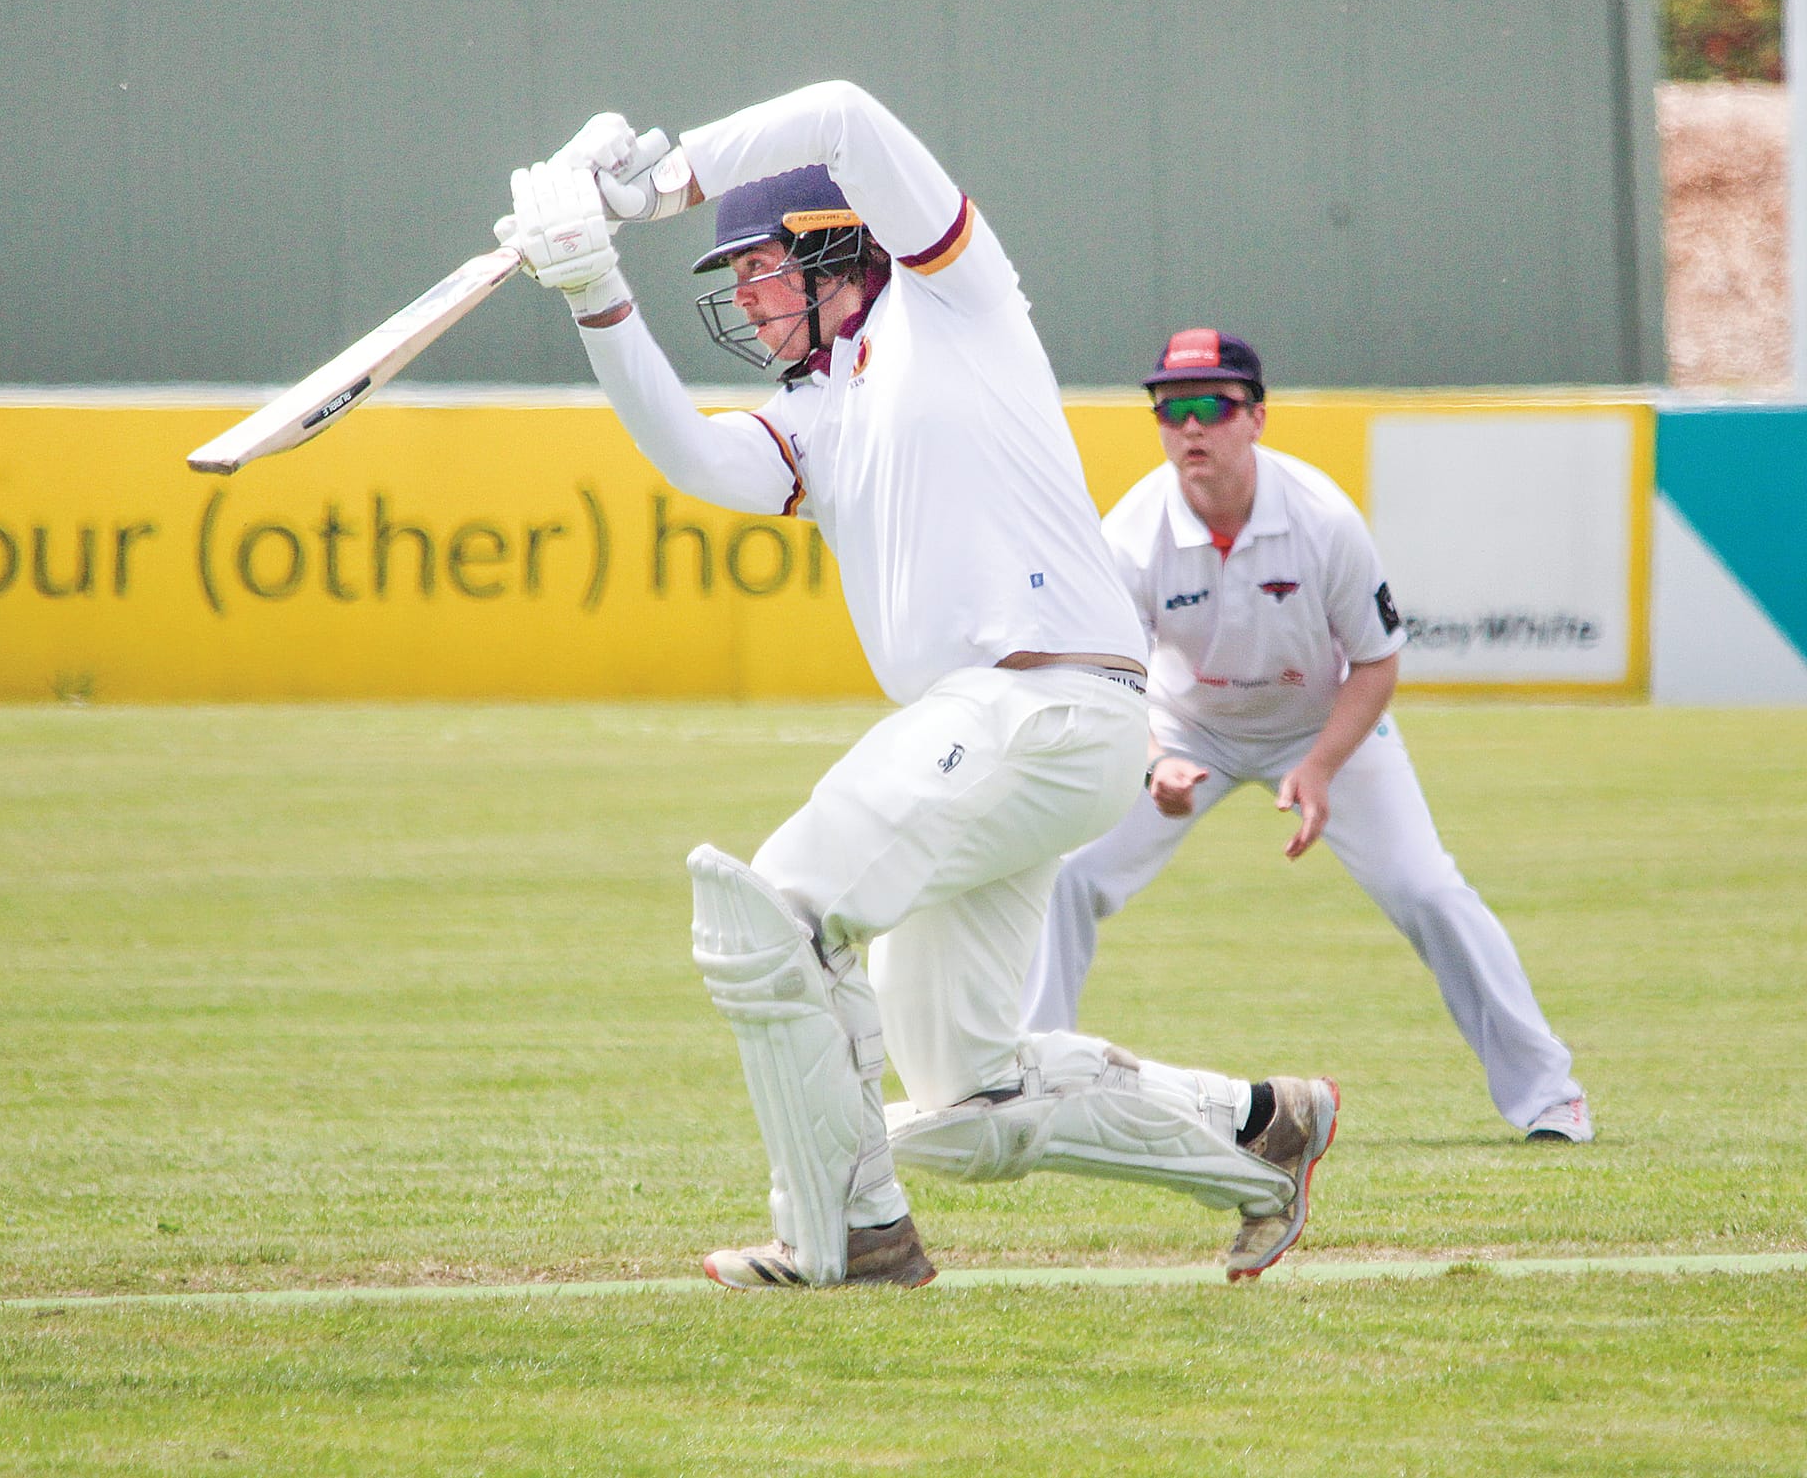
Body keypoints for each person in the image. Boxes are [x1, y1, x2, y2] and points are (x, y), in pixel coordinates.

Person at [493, 83, 1339, 1290]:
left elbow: (841, 111)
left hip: (1032, 706)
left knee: (770, 912)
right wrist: (595, 292)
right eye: (726, 275)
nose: (741, 296)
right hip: (1012, 739)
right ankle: (1265, 1133)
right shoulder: (815, 414)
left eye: (756, 267)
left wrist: (661, 185)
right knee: (968, 1098)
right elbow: (686, 449)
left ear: (834, 240)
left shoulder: (954, 296)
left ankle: (847, 1237)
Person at [1019, 329, 1592, 1144]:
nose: (1190, 427)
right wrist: (1156, 760)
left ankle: (1551, 1099)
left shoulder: (1324, 520)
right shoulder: (1132, 533)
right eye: (1171, 408)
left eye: (1211, 407)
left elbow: (1377, 662)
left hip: (1323, 725)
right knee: (1067, 872)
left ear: (1256, 417)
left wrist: (1321, 766)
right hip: (1186, 728)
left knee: (1429, 891)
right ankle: (1034, 1095)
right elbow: (1112, 673)